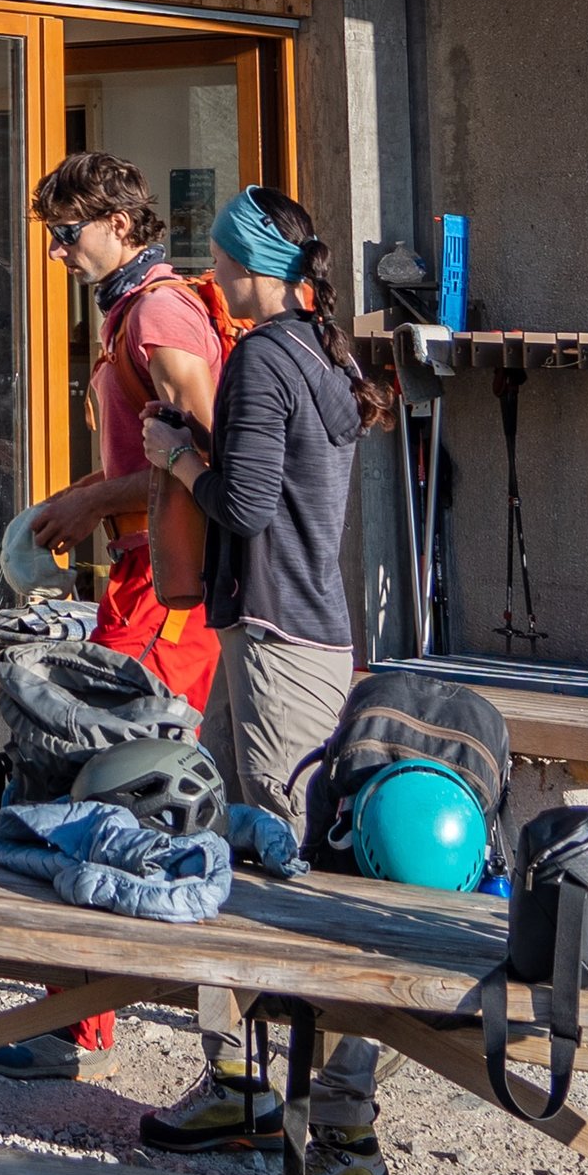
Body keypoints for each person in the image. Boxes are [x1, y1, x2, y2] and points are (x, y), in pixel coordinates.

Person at [8, 153, 238, 717]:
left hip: (176, 584)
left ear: (118, 223)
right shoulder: (132, 312)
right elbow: (153, 457)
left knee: (133, 751)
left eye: (66, 233)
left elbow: (207, 459)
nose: (55, 251)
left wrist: (95, 499)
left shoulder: (158, 313)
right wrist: (79, 496)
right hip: (144, 573)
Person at [190, 187, 386, 828]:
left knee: (285, 837)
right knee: (220, 827)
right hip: (309, 627)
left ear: (249, 265)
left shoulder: (261, 358)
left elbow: (246, 507)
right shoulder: (325, 352)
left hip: (274, 634)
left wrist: (174, 458)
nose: (213, 275)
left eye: (220, 259)